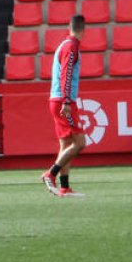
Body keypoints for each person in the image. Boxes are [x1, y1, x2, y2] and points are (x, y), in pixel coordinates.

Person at [42, 15, 86, 197]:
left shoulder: (63, 44)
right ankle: (50, 174)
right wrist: (67, 101)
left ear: (69, 27)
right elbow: (66, 74)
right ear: (84, 30)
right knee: (80, 143)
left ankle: (64, 187)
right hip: (63, 101)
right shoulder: (71, 47)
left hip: (56, 99)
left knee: (66, 144)